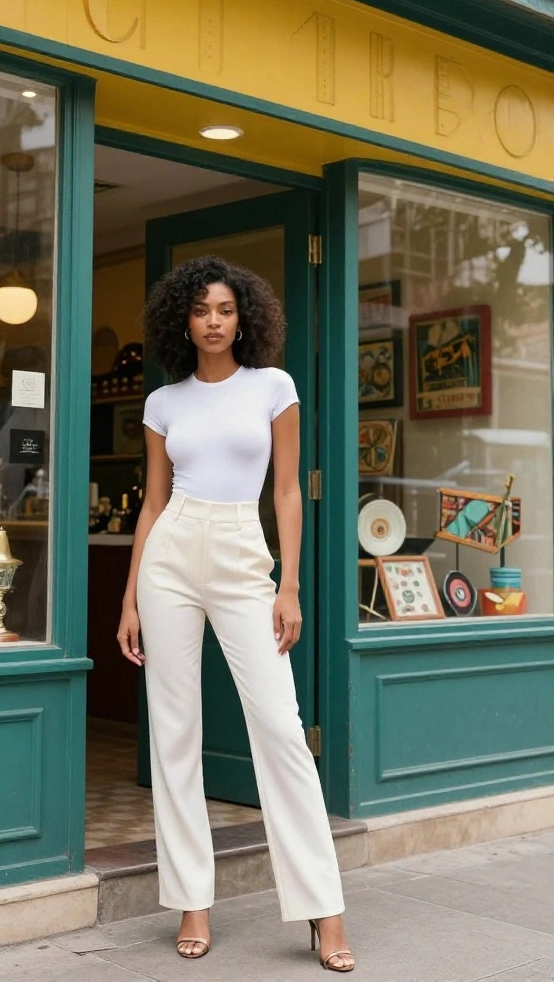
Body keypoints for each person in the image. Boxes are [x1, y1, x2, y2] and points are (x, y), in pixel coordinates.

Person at [116, 255, 354, 972]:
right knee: (175, 730)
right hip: (171, 552)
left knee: (281, 728)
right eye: (200, 310)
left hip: (243, 552)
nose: (214, 321)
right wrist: (130, 595)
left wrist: (289, 586)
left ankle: (324, 908)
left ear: (243, 316)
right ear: (181, 322)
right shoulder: (165, 402)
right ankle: (192, 899)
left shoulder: (273, 388)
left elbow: (287, 491)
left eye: (224, 309)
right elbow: (153, 504)